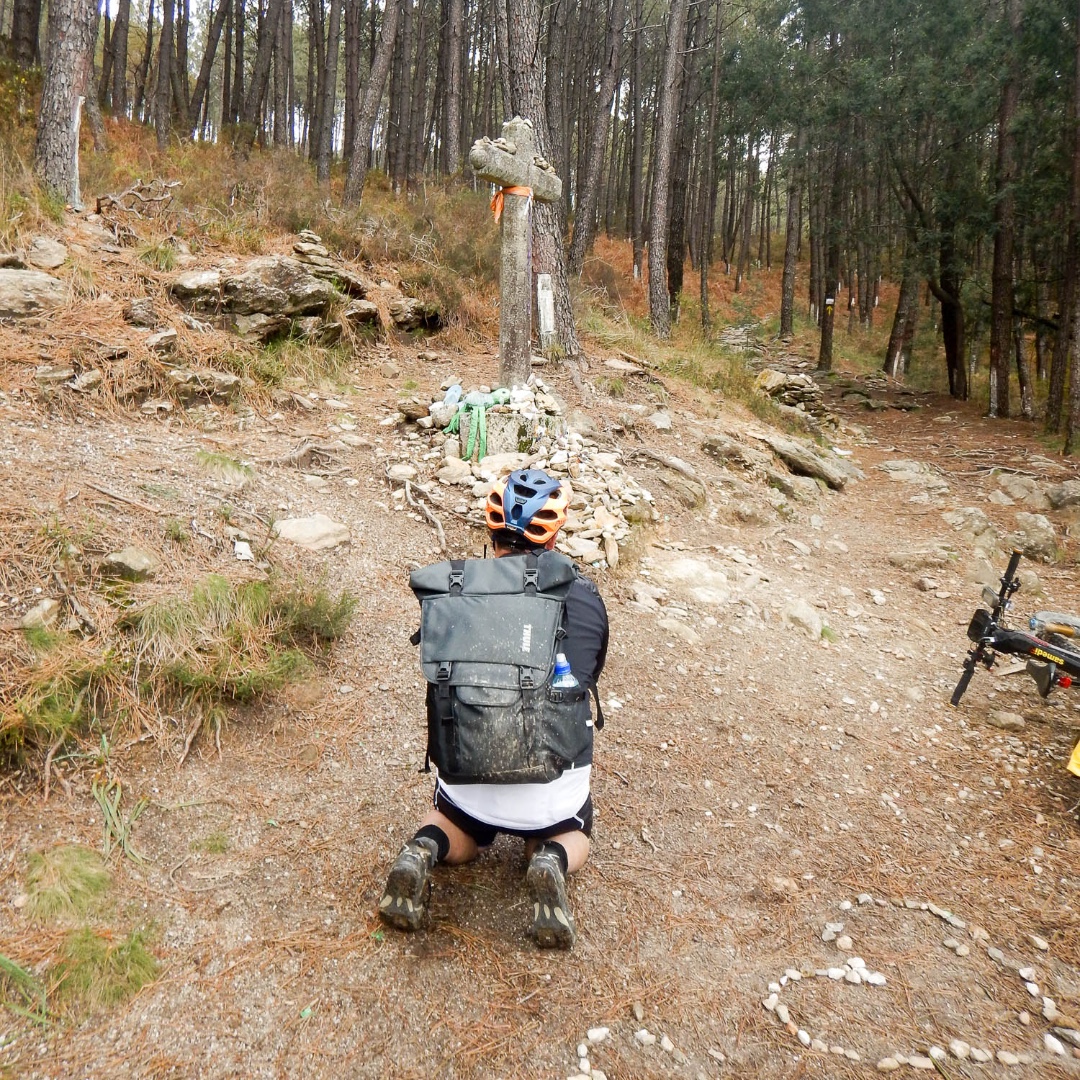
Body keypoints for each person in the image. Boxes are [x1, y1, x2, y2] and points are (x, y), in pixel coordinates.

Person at [378, 469, 608, 949]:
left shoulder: (455, 587)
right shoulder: (582, 595)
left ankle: (425, 846)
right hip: (550, 785)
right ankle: (549, 857)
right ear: (555, 531)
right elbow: (580, 684)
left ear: (491, 530)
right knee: (570, 827)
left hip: (467, 768)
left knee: (457, 821)